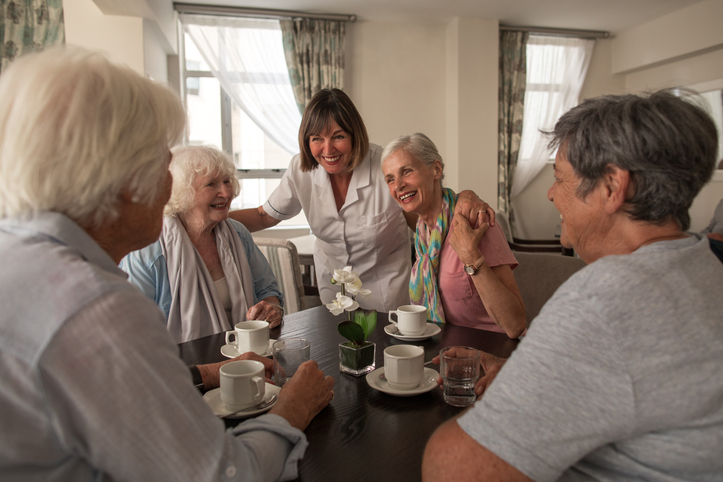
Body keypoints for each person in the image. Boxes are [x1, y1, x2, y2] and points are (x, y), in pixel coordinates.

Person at [0, 47, 334, 482]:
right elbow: (227, 474)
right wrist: (295, 406)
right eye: (159, 157)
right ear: (118, 178)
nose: (167, 177)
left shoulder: (20, 256)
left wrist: (207, 372)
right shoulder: (95, 308)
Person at [423, 90, 723, 480]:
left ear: (613, 187)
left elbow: (452, 469)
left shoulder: (604, 299)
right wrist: (522, 371)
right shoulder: (705, 261)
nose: (550, 193)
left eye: (560, 178)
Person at [228, 88, 494, 312]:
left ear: (355, 135)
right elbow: (264, 215)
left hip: (386, 293)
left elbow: (427, 218)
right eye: (317, 139)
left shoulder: (382, 166)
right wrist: (212, 218)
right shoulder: (301, 170)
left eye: (339, 136)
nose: (328, 149)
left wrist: (466, 199)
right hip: (333, 292)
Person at [121, 145, 283, 343]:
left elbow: (268, 291)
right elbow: (132, 331)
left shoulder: (238, 233)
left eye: (226, 181)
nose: (225, 192)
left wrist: (271, 309)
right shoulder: (147, 251)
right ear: (183, 192)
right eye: (211, 184)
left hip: (246, 355)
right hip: (180, 366)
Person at [381, 134, 525, 337]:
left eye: (407, 171)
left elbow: (515, 324)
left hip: (493, 352)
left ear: (436, 169)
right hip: (446, 350)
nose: (398, 185)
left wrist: (471, 258)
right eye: (390, 179)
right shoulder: (422, 234)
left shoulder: (474, 220)